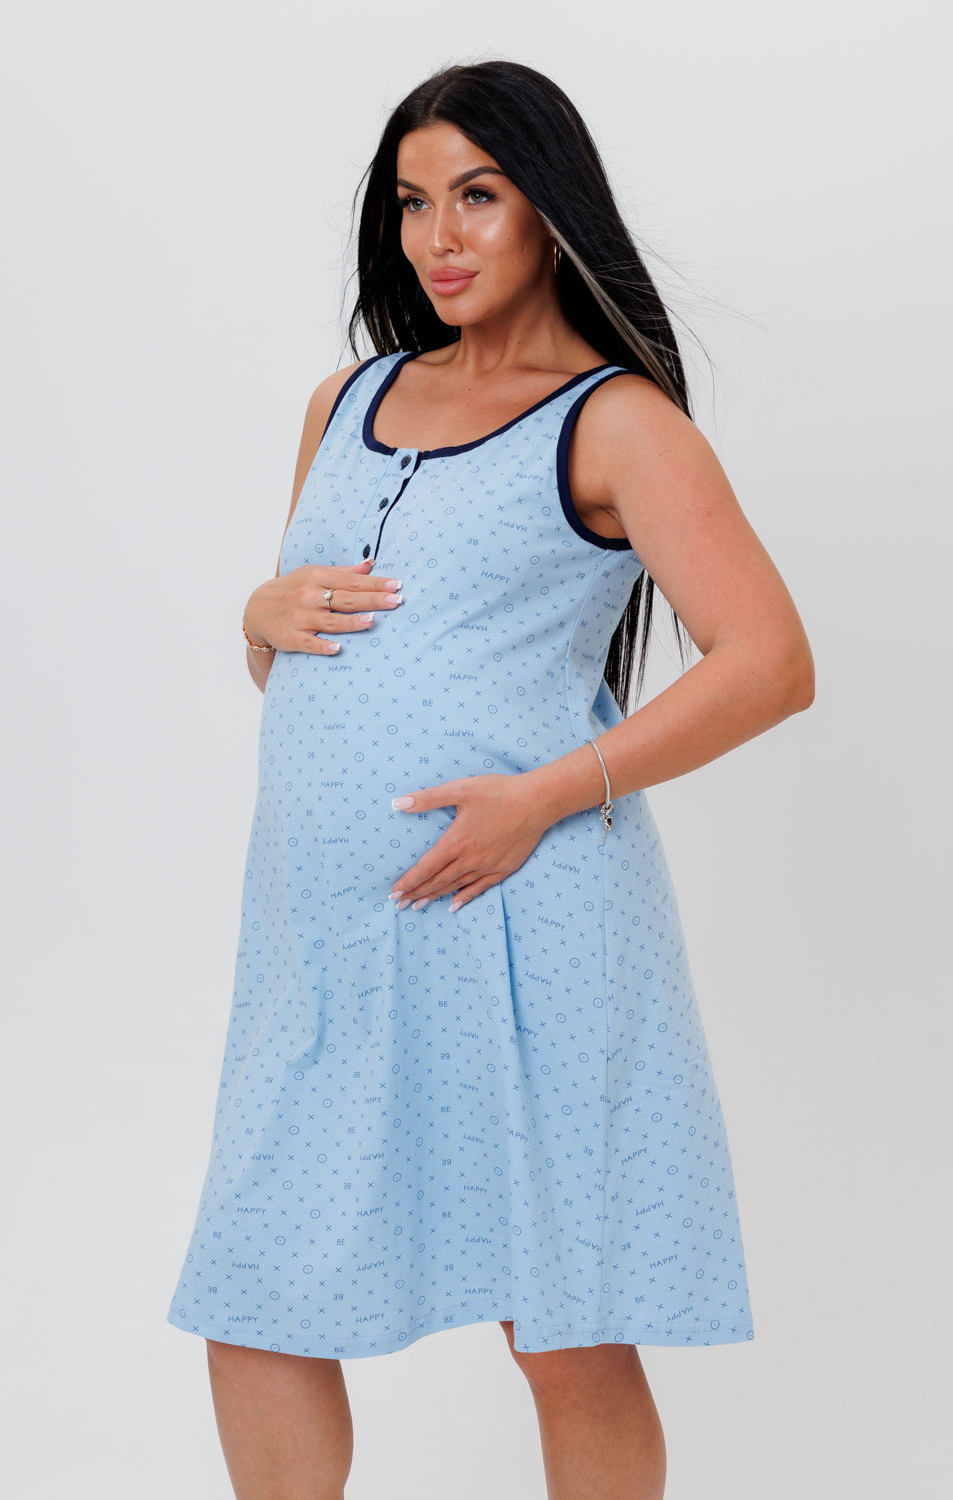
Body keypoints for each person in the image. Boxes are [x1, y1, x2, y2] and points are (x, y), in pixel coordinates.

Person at [166, 59, 815, 1500]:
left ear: (549, 207)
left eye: (477, 196)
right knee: (259, 1288)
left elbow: (771, 661)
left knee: (561, 1330)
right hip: (325, 939)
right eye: (412, 203)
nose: (438, 237)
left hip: (523, 923)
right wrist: (255, 620)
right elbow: (319, 666)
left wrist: (544, 795)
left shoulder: (616, 421)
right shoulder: (344, 400)